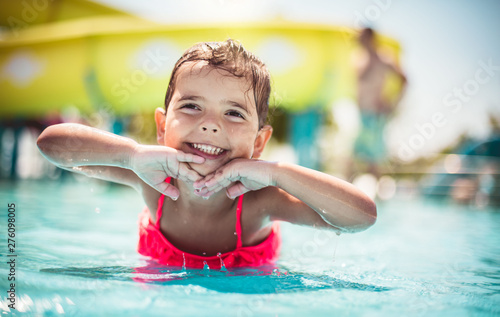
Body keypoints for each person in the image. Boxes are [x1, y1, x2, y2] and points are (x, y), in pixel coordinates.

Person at [37, 39, 376, 269]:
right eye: (191, 106)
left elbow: (361, 218)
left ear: (259, 143)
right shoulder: (149, 177)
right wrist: (131, 154)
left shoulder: (263, 201)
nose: (210, 125)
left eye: (233, 113)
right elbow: (51, 146)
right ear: (161, 124)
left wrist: (278, 173)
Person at [352, 27, 407, 178]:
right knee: (355, 154)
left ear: (369, 37)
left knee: (373, 158)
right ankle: (348, 193)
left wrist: (392, 102)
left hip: (376, 114)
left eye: (361, 37)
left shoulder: (384, 58)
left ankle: (375, 196)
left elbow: (404, 80)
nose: (358, 40)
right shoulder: (360, 59)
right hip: (362, 113)